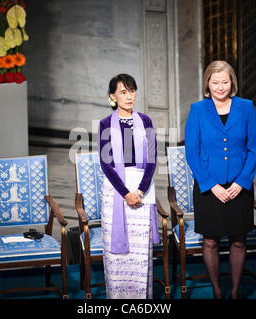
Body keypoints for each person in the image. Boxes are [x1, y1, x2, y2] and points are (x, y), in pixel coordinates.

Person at [185, 60, 256, 299]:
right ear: (208, 83)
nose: (220, 87)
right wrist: (212, 186)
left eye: (225, 82)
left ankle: (236, 292)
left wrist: (241, 182)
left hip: (240, 186)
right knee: (210, 242)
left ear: (232, 83)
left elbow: (254, 148)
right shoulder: (197, 110)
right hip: (209, 188)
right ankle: (218, 292)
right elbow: (191, 152)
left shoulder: (246, 107)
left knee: (239, 242)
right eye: (215, 82)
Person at [97, 73, 158, 299]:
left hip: (142, 192)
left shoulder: (146, 121)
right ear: (113, 96)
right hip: (116, 194)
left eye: (132, 91)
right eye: (123, 92)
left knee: (141, 255)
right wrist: (126, 194)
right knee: (117, 258)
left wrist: (139, 191)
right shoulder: (105, 124)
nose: (129, 96)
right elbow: (106, 164)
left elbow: (152, 159)